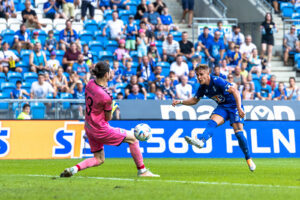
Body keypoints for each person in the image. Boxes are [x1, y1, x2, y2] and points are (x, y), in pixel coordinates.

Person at [60, 61, 159, 177]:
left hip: (88, 127)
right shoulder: (106, 96)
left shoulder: (90, 84)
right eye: (110, 70)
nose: (112, 72)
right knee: (133, 139)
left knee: (99, 159)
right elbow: (107, 118)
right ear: (107, 74)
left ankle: (74, 169)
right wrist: (111, 109)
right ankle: (142, 171)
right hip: (100, 129)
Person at [172, 64, 256, 172]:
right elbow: (194, 100)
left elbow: (235, 91)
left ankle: (248, 158)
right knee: (212, 122)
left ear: (208, 74)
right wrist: (180, 102)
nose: (199, 77)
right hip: (222, 107)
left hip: (234, 106)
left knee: (239, 134)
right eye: (197, 75)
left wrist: (239, 108)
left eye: (201, 74)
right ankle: (202, 140)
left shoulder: (217, 81)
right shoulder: (202, 88)